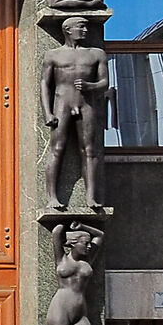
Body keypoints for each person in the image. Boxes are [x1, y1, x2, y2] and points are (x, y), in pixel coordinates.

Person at [40, 15, 110, 210]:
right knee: (57, 148)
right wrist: (47, 112)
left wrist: (90, 86)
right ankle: (52, 196)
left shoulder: (96, 54)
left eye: (86, 27)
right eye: (81, 27)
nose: (85, 30)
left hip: (86, 104)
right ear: (68, 30)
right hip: (62, 103)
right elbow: (45, 84)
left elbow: (105, 82)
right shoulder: (53, 55)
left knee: (89, 150)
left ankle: (91, 196)